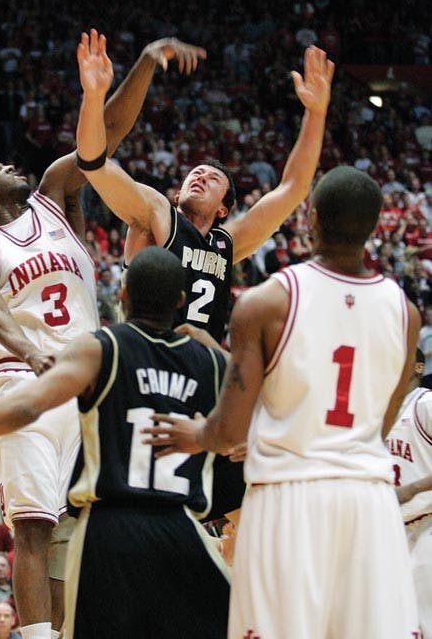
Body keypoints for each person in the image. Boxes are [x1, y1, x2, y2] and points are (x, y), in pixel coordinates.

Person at [0, 36, 206, 638]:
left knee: (83, 528)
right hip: (25, 386)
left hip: (92, 381)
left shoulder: (55, 195)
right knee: (34, 528)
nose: (10, 165)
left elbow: (103, 140)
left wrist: (143, 62)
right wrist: (32, 351)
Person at [0, 246, 231, 638]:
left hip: (112, 531)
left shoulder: (102, 347)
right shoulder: (210, 361)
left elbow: (23, 407)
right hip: (181, 528)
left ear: (122, 294)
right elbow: (244, 429)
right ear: (181, 301)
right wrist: (204, 430)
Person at [142, 167, 422, 639]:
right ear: (376, 227)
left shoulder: (266, 301)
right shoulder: (406, 313)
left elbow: (229, 432)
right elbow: (384, 417)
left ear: (310, 219)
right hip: (367, 500)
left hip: (289, 496)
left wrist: (194, 435)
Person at [75, 29, 335, 517]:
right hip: (147, 359)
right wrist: (93, 98)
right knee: (143, 500)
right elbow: (94, 163)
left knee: (231, 498)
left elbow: (293, 188)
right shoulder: (156, 213)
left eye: (213, 178)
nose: (199, 175)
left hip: (202, 370)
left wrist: (315, 113)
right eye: (193, 173)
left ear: (223, 208)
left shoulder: (227, 241)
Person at [386, 346, 432, 637]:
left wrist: (411, 490)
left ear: (417, 367)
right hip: (389, 532)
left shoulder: (425, 404)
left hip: (427, 525)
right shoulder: (378, 415)